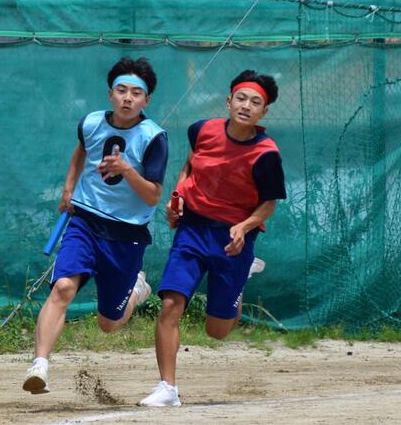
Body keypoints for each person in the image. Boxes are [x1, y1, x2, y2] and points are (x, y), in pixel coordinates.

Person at [139, 70, 285, 406]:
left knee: (216, 331)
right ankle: (167, 388)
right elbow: (190, 166)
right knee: (170, 305)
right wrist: (178, 196)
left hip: (233, 240)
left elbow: (268, 205)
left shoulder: (266, 154)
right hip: (192, 230)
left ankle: (242, 277)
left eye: (255, 102)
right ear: (228, 101)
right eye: (241, 98)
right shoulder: (202, 130)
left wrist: (244, 227)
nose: (246, 106)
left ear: (264, 112)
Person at [23, 57, 168, 394]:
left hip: (126, 235)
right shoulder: (90, 123)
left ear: (146, 100)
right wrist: (68, 189)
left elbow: (153, 196)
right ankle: (39, 365)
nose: (127, 98)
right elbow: (81, 152)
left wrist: (127, 170)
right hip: (85, 221)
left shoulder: (154, 137)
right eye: (121, 90)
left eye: (136, 93)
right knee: (63, 287)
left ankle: (136, 289)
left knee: (109, 324)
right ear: (110, 94)